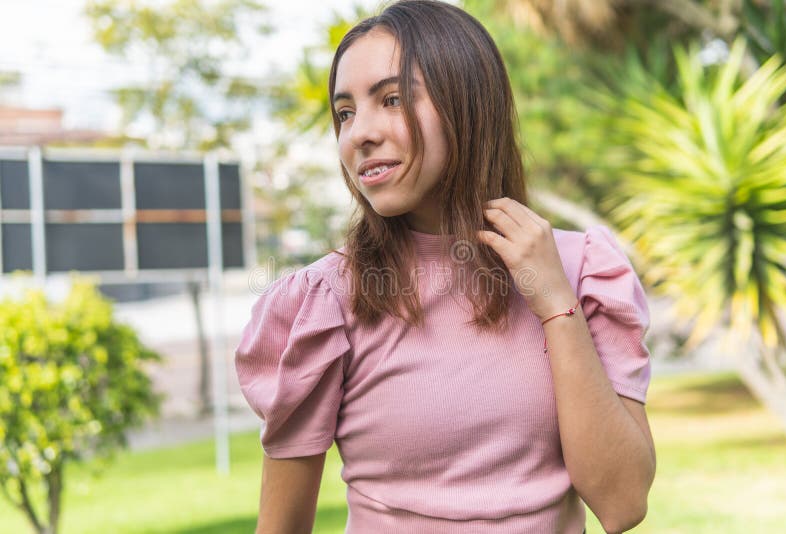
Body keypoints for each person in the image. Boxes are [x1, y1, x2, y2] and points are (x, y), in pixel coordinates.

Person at [235, 1, 656, 533]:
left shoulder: (582, 269)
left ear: (467, 104)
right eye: (345, 113)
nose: (359, 132)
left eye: (391, 99)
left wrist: (553, 302)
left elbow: (622, 503)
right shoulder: (327, 301)